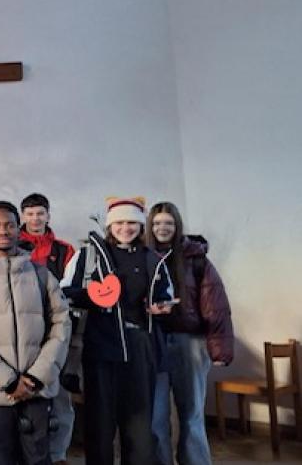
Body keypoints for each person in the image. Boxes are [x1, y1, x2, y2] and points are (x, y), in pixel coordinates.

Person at [0, 201, 71, 465]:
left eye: (9, 225)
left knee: (39, 459)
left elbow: (61, 325)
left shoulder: (42, 276)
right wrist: (7, 380)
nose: (2, 231)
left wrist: (37, 376)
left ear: (19, 229)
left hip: (35, 389)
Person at [60, 197, 174, 465]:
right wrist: (93, 296)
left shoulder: (152, 259)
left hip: (140, 347)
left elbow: (166, 295)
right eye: (120, 222)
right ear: (110, 226)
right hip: (102, 347)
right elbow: (65, 292)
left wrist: (162, 307)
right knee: (100, 421)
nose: (126, 228)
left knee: (139, 422)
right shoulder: (88, 256)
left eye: (132, 222)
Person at [146, 201, 234, 465]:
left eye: (168, 223)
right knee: (155, 416)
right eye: (157, 223)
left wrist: (220, 350)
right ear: (150, 226)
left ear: (177, 226)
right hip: (153, 342)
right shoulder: (140, 256)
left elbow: (215, 305)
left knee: (191, 415)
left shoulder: (195, 258)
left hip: (189, 343)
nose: (163, 228)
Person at [18, 193, 77, 465]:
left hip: (57, 331)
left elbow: (72, 286)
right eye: (29, 213)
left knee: (60, 395)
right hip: (21, 331)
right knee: (22, 393)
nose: (35, 218)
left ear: (48, 215)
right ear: (23, 216)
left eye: (40, 213)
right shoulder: (11, 244)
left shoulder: (65, 250)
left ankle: (58, 453)